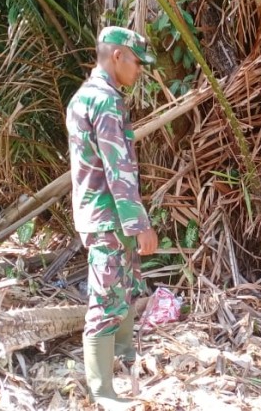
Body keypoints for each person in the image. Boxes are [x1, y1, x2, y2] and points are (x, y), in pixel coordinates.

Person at [66, 26, 158, 410]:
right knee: (105, 299)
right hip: (108, 217)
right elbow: (117, 170)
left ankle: (124, 357)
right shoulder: (104, 102)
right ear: (117, 55)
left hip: (102, 215)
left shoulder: (86, 97)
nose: (139, 70)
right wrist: (141, 225)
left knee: (121, 287)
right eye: (136, 62)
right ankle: (102, 391)